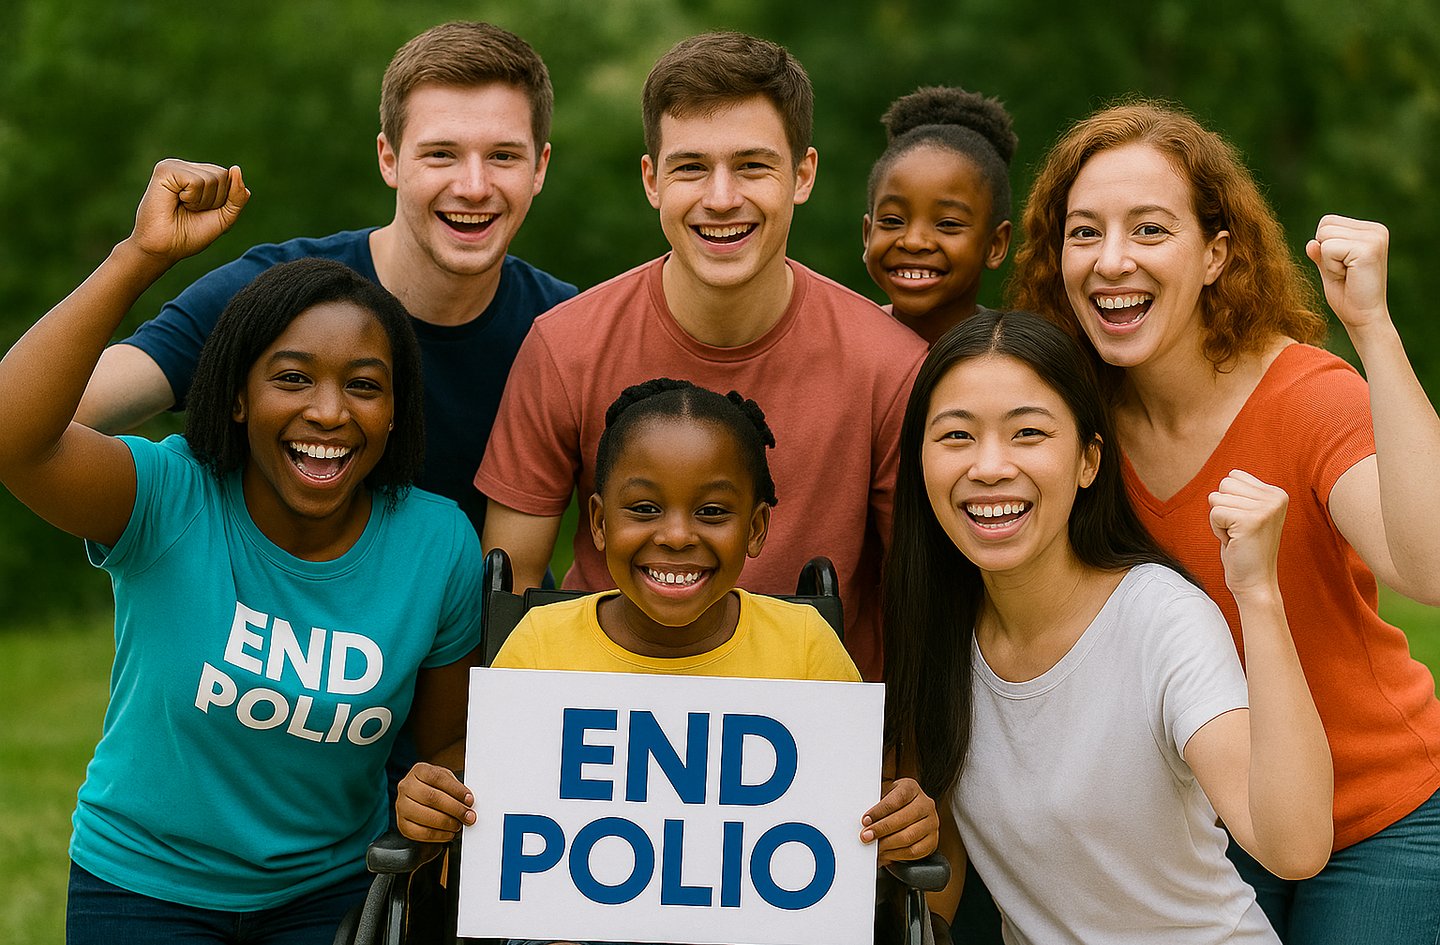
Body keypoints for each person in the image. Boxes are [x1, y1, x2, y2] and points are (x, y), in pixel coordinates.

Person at [0, 160, 484, 944]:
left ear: (396, 412)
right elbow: (12, 438)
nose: (329, 412)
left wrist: (437, 781)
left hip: (330, 891)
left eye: (364, 386)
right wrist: (138, 258)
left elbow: (445, 739)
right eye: (292, 378)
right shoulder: (166, 494)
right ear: (235, 394)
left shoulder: (438, 543)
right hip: (140, 887)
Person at [1009, 100, 1440, 943]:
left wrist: (1373, 330)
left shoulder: (1306, 395)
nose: (1112, 260)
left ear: (1215, 253)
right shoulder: (1071, 426)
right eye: (1084, 232)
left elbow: (1427, 569)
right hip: (1200, 821)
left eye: (1150, 230)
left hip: (1376, 820)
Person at [400, 379, 939, 944]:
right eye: (645, 508)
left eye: (711, 511)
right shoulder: (540, 642)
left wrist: (901, 820)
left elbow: (858, 813)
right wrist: (432, 797)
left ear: (755, 529)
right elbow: (486, 790)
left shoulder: (804, 645)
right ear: (600, 523)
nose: (677, 535)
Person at [476, 32, 928, 681]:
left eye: (752, 166)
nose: (721, 197)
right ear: (651, 179)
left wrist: (899, 761)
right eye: (691, 167)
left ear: (802, 175)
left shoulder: (890, 367)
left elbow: (919, 605)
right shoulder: (564, 346)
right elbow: (509, 597)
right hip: (595, 720)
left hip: (807, 727)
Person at [881, 310, 1332, 943]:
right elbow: (943, 875)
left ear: (1090, 460)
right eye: (956, 436)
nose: (988, 467)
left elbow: (1294, 846)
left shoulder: (1159, 617)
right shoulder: (940, 630)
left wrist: (1258, 593)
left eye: (1028, 434)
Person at [75, 20, 576, 534]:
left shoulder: (572, 333)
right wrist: (137, 255)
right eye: (441, 154)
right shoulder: (274, 297)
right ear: (390, 159)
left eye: (503, 156)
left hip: (486, 614)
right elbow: (50, 412)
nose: (473, 186)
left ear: (539, 167)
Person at [862, 86, 1016, 345]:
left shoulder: (1015, 364)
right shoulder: (839, 347)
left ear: (995, 244)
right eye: (891, 221)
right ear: (867, 234)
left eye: (947, 224)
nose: (913, 241)